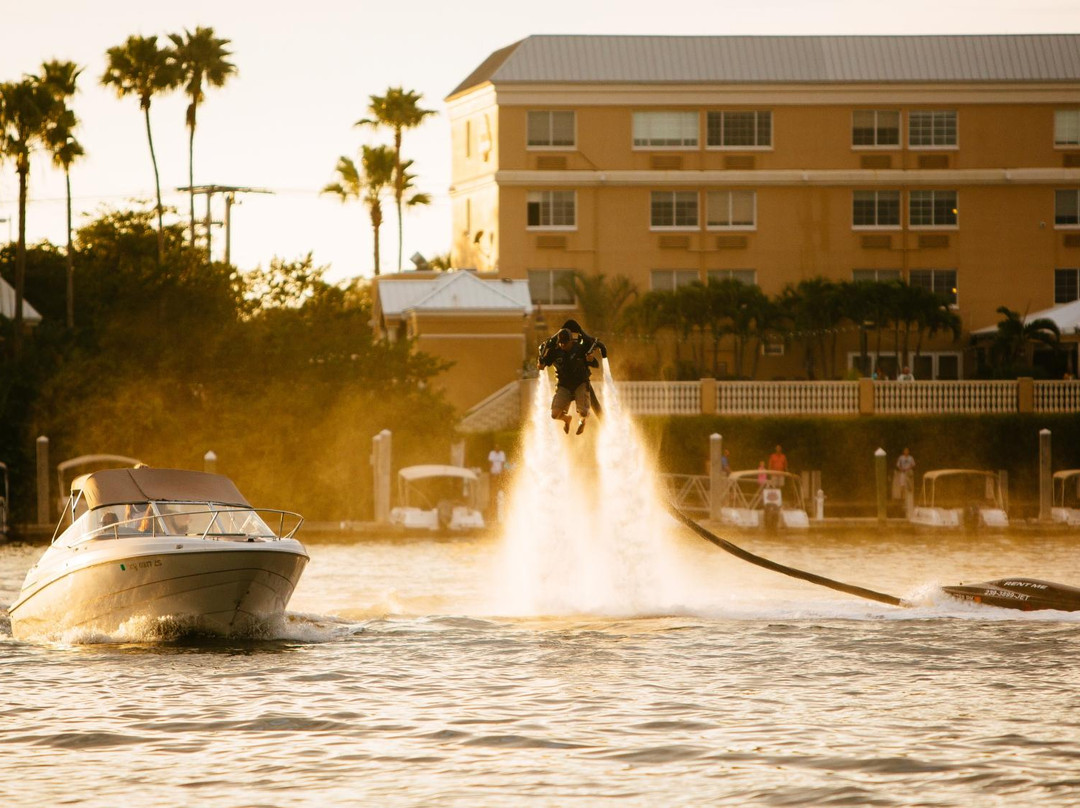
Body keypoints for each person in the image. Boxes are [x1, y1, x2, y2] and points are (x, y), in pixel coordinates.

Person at [537, 322, 607, 435]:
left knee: (583, 412)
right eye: (560, 343)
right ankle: (567, 419)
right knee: (554, 414)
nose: (563, 345)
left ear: (571, 341)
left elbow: (596, 364)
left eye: (565, 343)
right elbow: (542, 366)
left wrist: (590, 359)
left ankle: (582, 421)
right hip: (564, 385)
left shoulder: (580, 349)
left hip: (580, 383)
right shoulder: (555, 352)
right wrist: (540, 363)